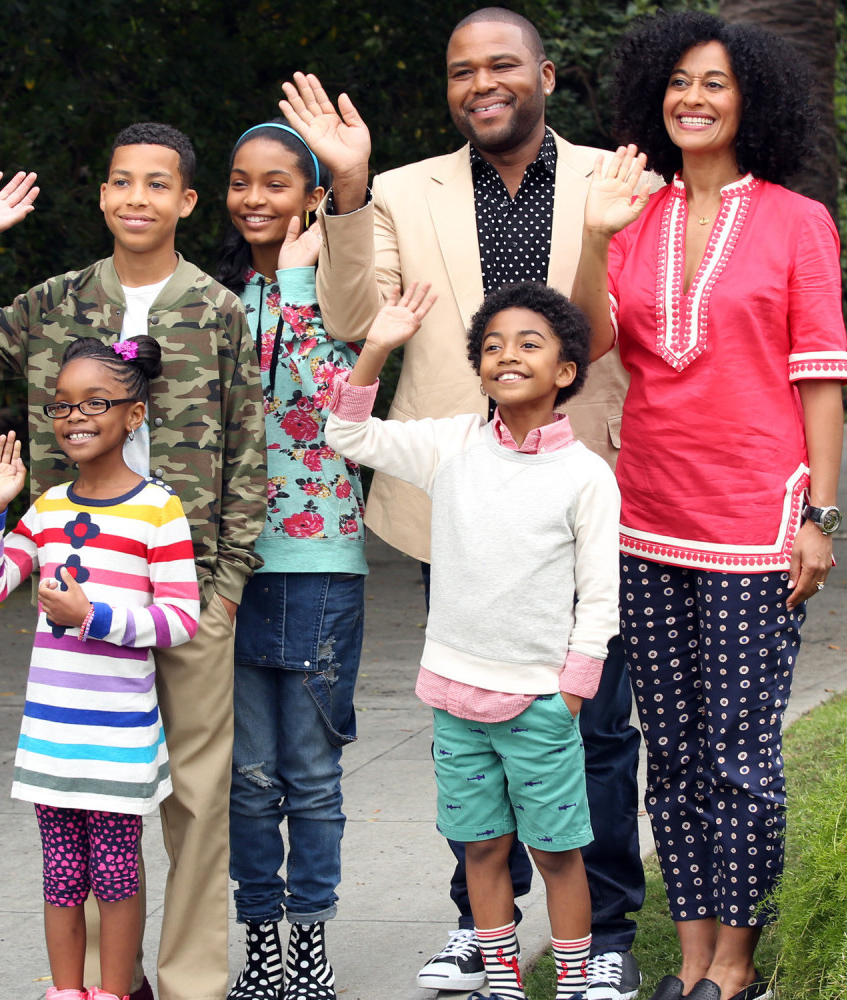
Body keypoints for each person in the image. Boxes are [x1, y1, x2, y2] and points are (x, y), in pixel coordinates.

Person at [280, 10, 647, 999]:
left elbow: (614, 331)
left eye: (502, 66)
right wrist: (347, 190)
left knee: (596, 730)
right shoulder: (396, 192)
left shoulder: (619, 182)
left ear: (547, 75)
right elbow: (356, 317)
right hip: (464, 496)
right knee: (476, 733)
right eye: (460, 72)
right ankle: (479, 931)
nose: (480, 84)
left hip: (578, 484)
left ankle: (604, 929)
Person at [0, 122, 267, 1000]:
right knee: (92, 804)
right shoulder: (54, 303)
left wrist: (225, 590)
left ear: (185, 201)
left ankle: (187, 983)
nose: (134, 198)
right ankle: (115, 982)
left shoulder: (217, 308)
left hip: (183, 592)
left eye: (156, 184)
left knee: (193, 803)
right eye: (119, 182)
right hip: (78, 600)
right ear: (102, 196)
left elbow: (251, 449)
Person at [569, 11, 847, 1000]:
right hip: (647, 515)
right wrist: (595, 235)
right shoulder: (629, 215)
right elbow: (585, 346)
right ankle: (688, 958)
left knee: (740, 754)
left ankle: (736, 965)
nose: (692, 98)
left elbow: (821, 375)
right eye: (679, 82)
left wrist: (820, 513)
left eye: (715, 83)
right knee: (676, 754)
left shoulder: (794, 220)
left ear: (750, 102)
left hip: (754, 522)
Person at [326, 281, 619, 1000]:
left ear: (566, 372)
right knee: (482, 847)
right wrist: (378, 347)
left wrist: (573, 691)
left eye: (528, 344)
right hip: (454, 695)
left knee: (556, 852)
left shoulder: (585, 475)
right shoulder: (452, 444)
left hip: (541, 703)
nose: (506, 356)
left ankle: (579, 982)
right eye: (491, 346)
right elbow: (348, 435)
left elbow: (601, 596)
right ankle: (501, 980)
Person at [0, 336, 198, 1000]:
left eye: (95, 402)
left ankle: (115, 992)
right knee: (62, 877)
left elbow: (180, 620)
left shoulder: (158, 510)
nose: (74, 417)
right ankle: (68, 992)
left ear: (134, 414)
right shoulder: (47, 509)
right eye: (61, 405)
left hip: (118, 739)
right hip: (51, 740)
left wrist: (92, 616)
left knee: (118, 876)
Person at [212, 119, 366, 1000]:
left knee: (309, 774)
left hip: (317, 564)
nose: (255, 198)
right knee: (247, 775)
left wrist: (304, 276)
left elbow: (331, 397)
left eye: (277, 182)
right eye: (241, 181)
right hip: (229, 567)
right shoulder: (214, 298)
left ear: (312, 197)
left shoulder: (338, 290)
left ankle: (310, 943)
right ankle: (260, 941)